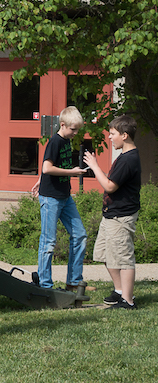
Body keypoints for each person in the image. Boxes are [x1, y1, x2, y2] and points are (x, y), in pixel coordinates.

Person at [83, 115, 141, 310]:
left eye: (113, 134)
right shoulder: (125, 157)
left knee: (123, 258)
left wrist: (94, 166)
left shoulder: (128, 159)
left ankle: (128, 301)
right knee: (106, 254)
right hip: (111, 214)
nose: (109, 137)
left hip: (121, 217)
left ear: (124, 135)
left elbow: (109, 186)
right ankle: (119, 291)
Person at [31, 106, 87, 291]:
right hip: (51, 198)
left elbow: (49, 165)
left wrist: (40, 180)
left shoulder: (66, 141)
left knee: (80, 235)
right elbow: (47, 167)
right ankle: (45, 285)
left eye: (77, 129)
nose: (75, 133)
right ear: (62, 125)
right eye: (73, 129)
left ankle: (73, 281)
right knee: (49, 242)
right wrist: (72, 172)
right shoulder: (55, 141)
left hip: (65, 196)